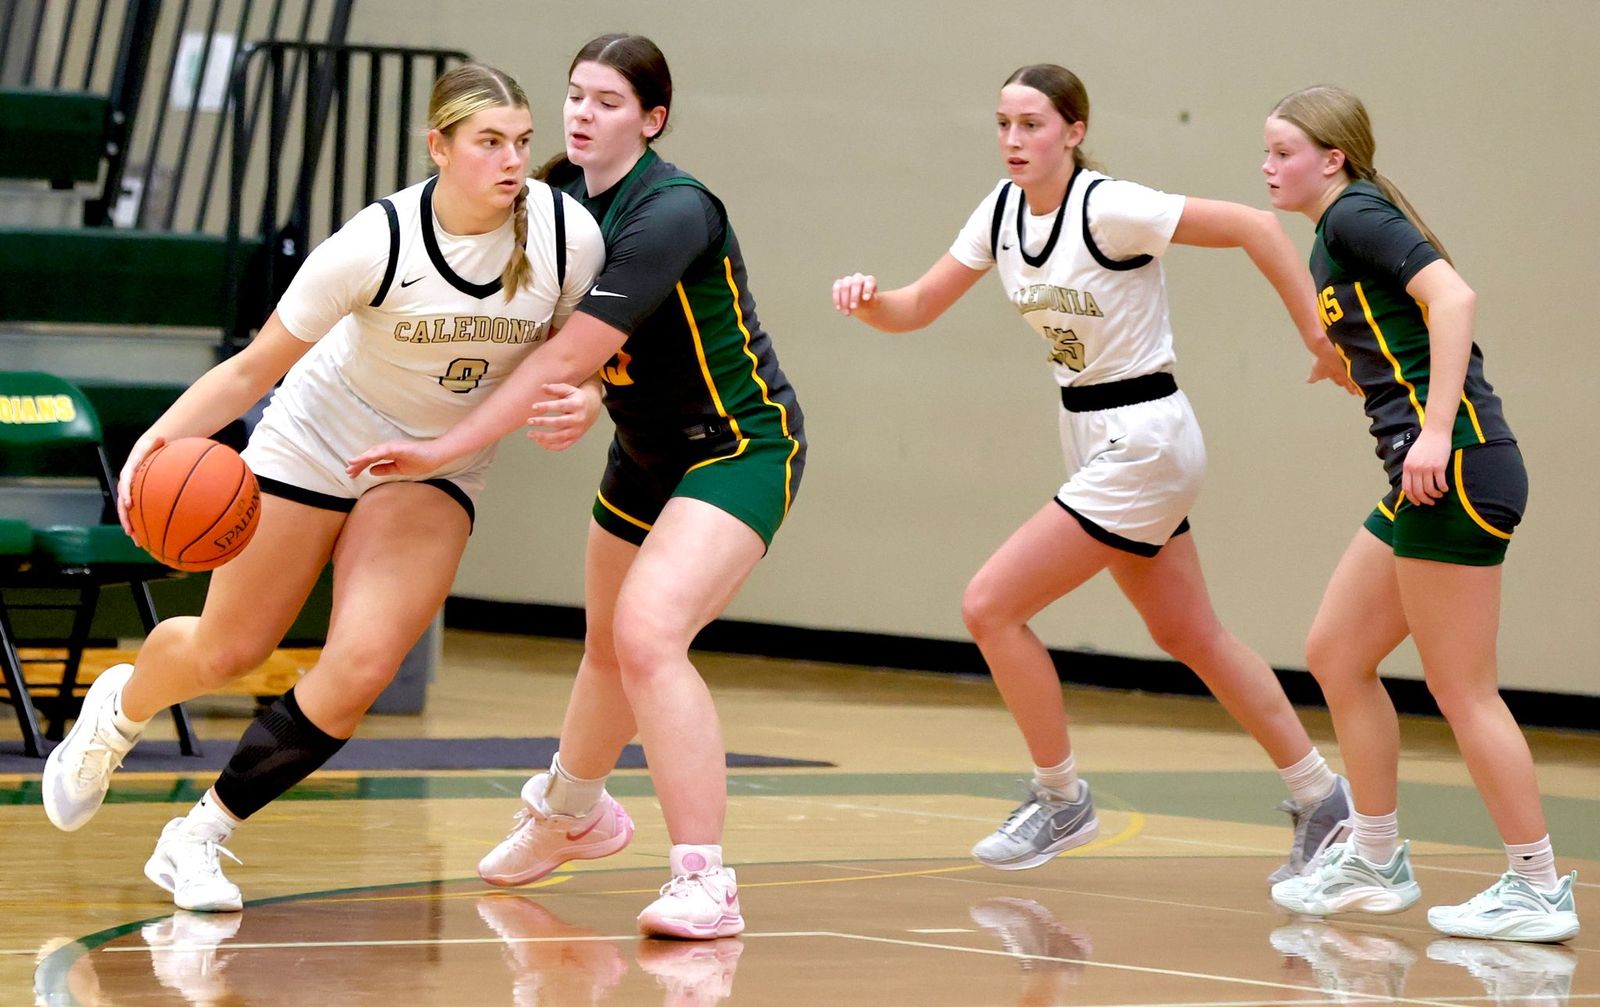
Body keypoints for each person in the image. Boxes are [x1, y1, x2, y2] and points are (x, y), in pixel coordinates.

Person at [40, 63, 606, 912]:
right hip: (316, 441)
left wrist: (586, 400)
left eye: (523, 141)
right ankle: (119, 711)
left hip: (436, 463)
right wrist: (158, 442)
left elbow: (586, 362)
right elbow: (253, 367)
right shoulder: (375, 243)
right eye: (489, 142)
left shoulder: (569, 238)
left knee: (360, 666)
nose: (512, 160)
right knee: (230, 650)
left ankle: (199, 835)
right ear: (439, 147)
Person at [831, 64, 1357, 881]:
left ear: (1073, 131)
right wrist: (870, 301)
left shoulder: (1109, 205)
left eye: (1032, 124)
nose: (1013, 140)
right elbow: (917, 307)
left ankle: (1060, 796)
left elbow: (1260, 226)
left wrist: (1318, 338)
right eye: (1003, 123)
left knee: (990, 605)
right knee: (1191, 634)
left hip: (1145, 434)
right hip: (1090, 432)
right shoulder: (1000, 211)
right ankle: (1322, 797)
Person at [346, 34, 805, 940]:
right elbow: (577, 352)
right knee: (605, 645)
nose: (582, 114)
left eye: (607, 101)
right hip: (645, 452)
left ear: (652, 120)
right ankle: (572, 814)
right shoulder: (554, 207)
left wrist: (447, 446)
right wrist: (592, 397)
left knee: (648, 633)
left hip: (738, 445)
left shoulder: (673, 209)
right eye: (575, 95)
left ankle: (705, 879)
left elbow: (572, 348)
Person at [1262, 85, 1579, 943]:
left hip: (1457, 467)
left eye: (1283, 150)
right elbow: (1397, 335)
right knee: (1335, 651)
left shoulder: (1357, 215)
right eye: (1265, 150)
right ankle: (1374, 856)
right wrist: (1346, 369)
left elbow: (1455, 300)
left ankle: (1537, 885)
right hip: (1426, 475)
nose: (1267, 165)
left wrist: (1435, 430)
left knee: (1462, 688)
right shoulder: (1336, 237)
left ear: (1332, 158)